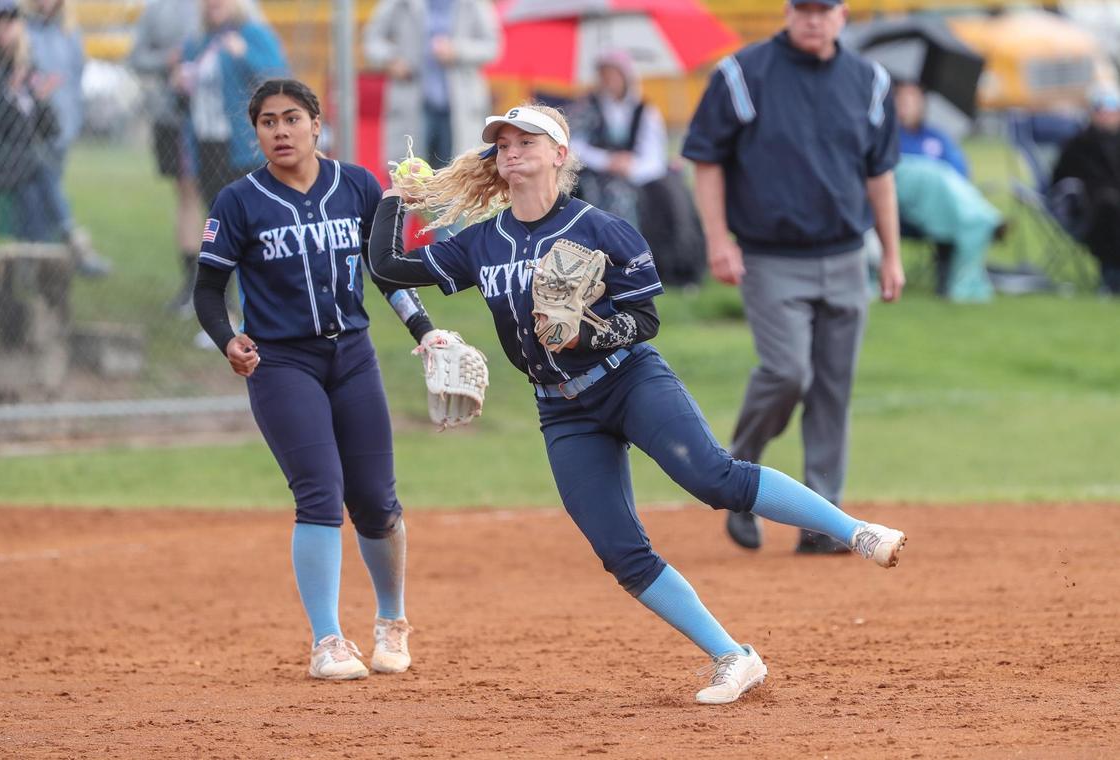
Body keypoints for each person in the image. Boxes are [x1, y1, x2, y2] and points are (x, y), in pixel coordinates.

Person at [367, 103, 907, 704]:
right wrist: (397, 197)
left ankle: (854, 530)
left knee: (715, 478)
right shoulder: (482, 242)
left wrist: (586, 335)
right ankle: (733, 656)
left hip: (627, 379)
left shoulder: (600, 228)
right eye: (502, 142)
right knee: (619, 549)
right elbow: (388, 267)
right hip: (562, 408)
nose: (511, 149)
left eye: (527, 140)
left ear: (560, 155)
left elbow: (645, 318)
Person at [194, 78, 453, 680]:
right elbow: (208, 288)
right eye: (266, 122)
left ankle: (391, 621)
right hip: (281, 362)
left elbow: (386, 273)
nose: (280, 131)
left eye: (291, 118)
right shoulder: (239, 200)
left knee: (375, 498)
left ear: (317, 123)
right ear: (256, 131)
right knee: (318, 491)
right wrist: (227, 339)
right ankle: (327, 641)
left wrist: (426, 331)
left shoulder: (357, 185)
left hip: (352, 356)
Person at [681, 0, 905, 556]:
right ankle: (738, 474)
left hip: (847, 254)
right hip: (770, 255)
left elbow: (880, 174)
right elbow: (706, 160)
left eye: (823, 9)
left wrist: (892, 255)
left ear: (842, 15)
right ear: (787, 12)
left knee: (832, 388)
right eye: (803, 9)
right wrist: (717, 240)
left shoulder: (870, 80)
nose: (813, 19)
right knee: (787, 373)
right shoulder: (742, 74)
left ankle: (821, 523)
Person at [569, 49, 706, 288]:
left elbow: (654, 153)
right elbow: (574, 144)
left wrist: (631, 167)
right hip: (596, 174)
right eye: (604, 75)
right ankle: (611, 266)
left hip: (640, 172)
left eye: (613, 74)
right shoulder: (586, 107)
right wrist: (608, 160)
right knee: (612, 198)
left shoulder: (644, 111)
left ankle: (672, 266)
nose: (609, 81)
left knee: (670, 198)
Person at [128, 0, 204, 315]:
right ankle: (193, 284)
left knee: (221, 199)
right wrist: (168, 60)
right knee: (186, 195)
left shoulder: (225, 7)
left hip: (216, 118)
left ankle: (223, 289)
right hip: (172, 117)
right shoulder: (158, 8)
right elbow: (136, 58)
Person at [176, 0, 287, 212]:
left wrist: (245, 55)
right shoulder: (197, 41)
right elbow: (184, 97)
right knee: (218, 215)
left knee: (252, 216)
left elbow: (279, 78)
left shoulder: (253, 33)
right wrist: (179, 83)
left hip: (244, 145)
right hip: (206, 141)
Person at [362, 0, 500, 169]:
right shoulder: (398, 3)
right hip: (412, 103)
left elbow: (492, 46)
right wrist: (391, 59)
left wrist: (456, 51)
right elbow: (372, 39)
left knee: (458, 173)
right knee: (410, 174)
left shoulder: (474, 4)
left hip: (459, 107)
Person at [894, 80, 998, 302]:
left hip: (943, 209)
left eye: (913, 100)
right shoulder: (889, 138)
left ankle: (976, 225)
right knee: (930, 176)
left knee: (945, 186)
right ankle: (986, 219)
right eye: (902, 99)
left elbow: (959, 173)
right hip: (904, 211)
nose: (907, 105)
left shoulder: (936, 137)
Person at [0, 0, 58, 236]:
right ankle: (69, 233)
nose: (3, 28)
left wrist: (42, 101)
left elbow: (51, 129)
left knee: (34, 194)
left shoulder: (27, 67)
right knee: (39, 167)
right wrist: (11, 96)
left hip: (21, 160)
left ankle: (35, 256)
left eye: (10, 22)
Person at [1052, 83, 1120, 295]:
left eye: (1111, 110)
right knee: (1109, 205)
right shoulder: (1078, 144)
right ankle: (1112, 275)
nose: (1106, 115)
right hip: (1089, 207)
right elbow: (1059, 180)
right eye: (1100, 109)